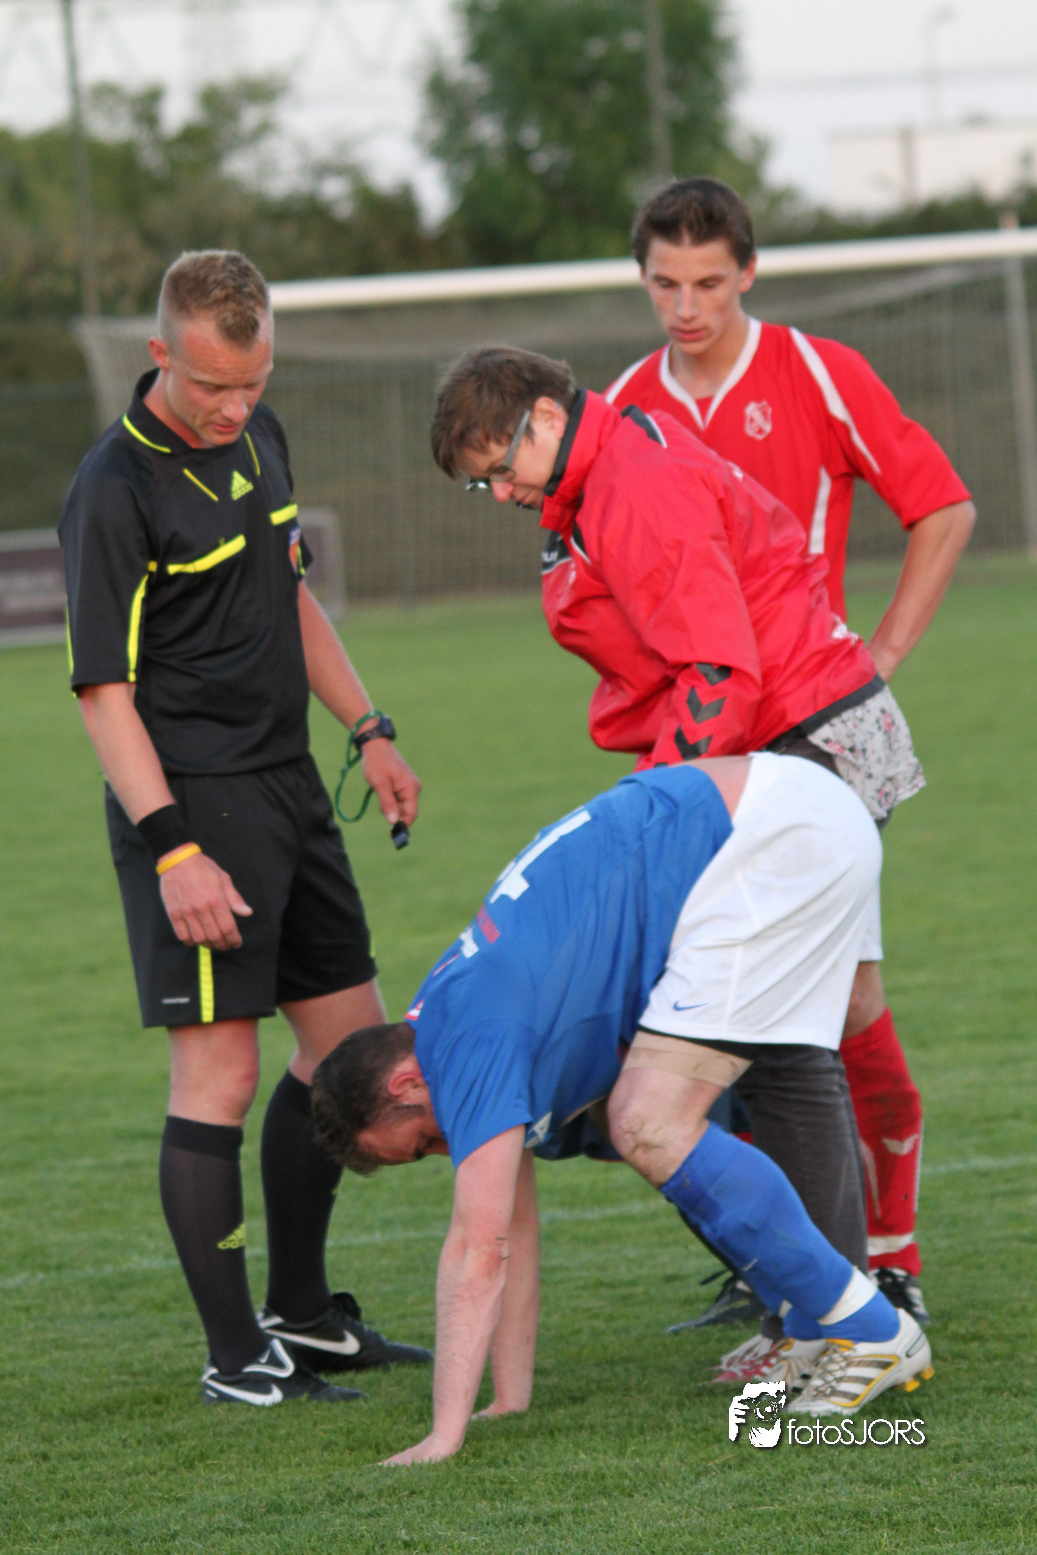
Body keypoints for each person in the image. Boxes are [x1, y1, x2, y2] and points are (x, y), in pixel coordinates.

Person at [428, 342, 930, 1371]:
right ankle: (819, 1311)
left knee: (763, 1056)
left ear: (544, 418)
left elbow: (716, 670)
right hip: (791, 741)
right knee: (781, 1049)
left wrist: (657, 825)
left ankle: (840, 1318)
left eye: (499, 468)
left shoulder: (630, 480)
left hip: (799, 741)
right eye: (482, 483)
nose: (500, 493)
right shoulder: (603, 474)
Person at [311, 755, 934, 1465]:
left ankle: (869, 1328)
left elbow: (477, 1250)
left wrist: (441, 1437)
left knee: (647, 1118)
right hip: (786, 818)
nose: (444, 1150)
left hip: (768, 839)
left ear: (402, 1083)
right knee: (736, 1086)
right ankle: (821, 1325)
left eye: (422, 1142)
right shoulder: (446, 1016)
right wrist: (508, 1397)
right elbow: (511, 1226)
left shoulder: (469, 1041)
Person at [59, 249, 431, 1406]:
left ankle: (303, 1314)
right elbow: (103, 694)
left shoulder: (260, 437)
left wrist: (367, 725)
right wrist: (172, 848)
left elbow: (291, 594)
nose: (234, 407)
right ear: (159, 354)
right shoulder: (113, 490)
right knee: (218, 1072)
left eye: (253, 382)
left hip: (290, 787)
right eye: (213, 385)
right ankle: (234, 1355)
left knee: (348, 1050)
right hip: (191, 804)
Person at [604, 176, 976, 1321]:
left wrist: (883, 652)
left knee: (843, 1005)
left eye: (707, 282)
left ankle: (885, 1261)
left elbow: (943, 505)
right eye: (664, 283)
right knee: (727, 1003)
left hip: (815, 740)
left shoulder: (816, 373)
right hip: (706, 759)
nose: (685, 305)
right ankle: (789, 1258)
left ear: (747, 274)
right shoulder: (624, 408)